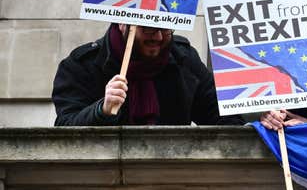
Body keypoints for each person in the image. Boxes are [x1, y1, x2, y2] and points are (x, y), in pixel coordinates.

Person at [52, 23, 243, 126]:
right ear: (122, 23)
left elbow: (224, 120)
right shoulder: (82, 64)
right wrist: (101, 111)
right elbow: (65, 127)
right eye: (149, 29)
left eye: (165, 29)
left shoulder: (183, 59)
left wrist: (262, 123)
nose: (158, 37)